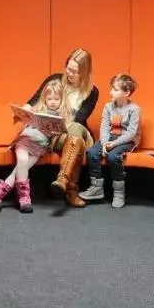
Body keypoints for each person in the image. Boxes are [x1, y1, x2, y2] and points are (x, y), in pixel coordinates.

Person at [25, 48, 99, 208]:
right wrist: (24, 111)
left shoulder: (92, 91)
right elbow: (33, 101)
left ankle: (63, 180)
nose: (69, 73)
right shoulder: (55, 80)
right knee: (75, 141)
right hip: (56, 136)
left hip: (76, 131)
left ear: (84, 72)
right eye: (68, 68)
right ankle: (70, 188)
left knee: (76, 129)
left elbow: (80, 118)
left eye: (75, 71)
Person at [0, 78, 70, 213]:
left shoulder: (63, 116)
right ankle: (24, 199)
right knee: (23, 160)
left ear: (62, 100)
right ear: (44, 99)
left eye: (56, 99)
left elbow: (62, 134)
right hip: (26, 139)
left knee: (21, 167)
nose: (52, 102)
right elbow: (24, 122)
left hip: (40, 146)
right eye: (49, 99)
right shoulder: (38, 109)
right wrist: (20, 117)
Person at [80, 73, 140, 209]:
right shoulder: (108, 107)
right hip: (110, 138)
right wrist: (104, 143)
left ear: (126, 93)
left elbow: (131, 133)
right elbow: (105, 127)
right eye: (111, 88)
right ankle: (96, 187)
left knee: (113, 156)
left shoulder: (134, 109)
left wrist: (114, 144)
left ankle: (118, 192)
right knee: (92, 153)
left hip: (126, 140)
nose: (110, 92)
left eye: (115, 89)